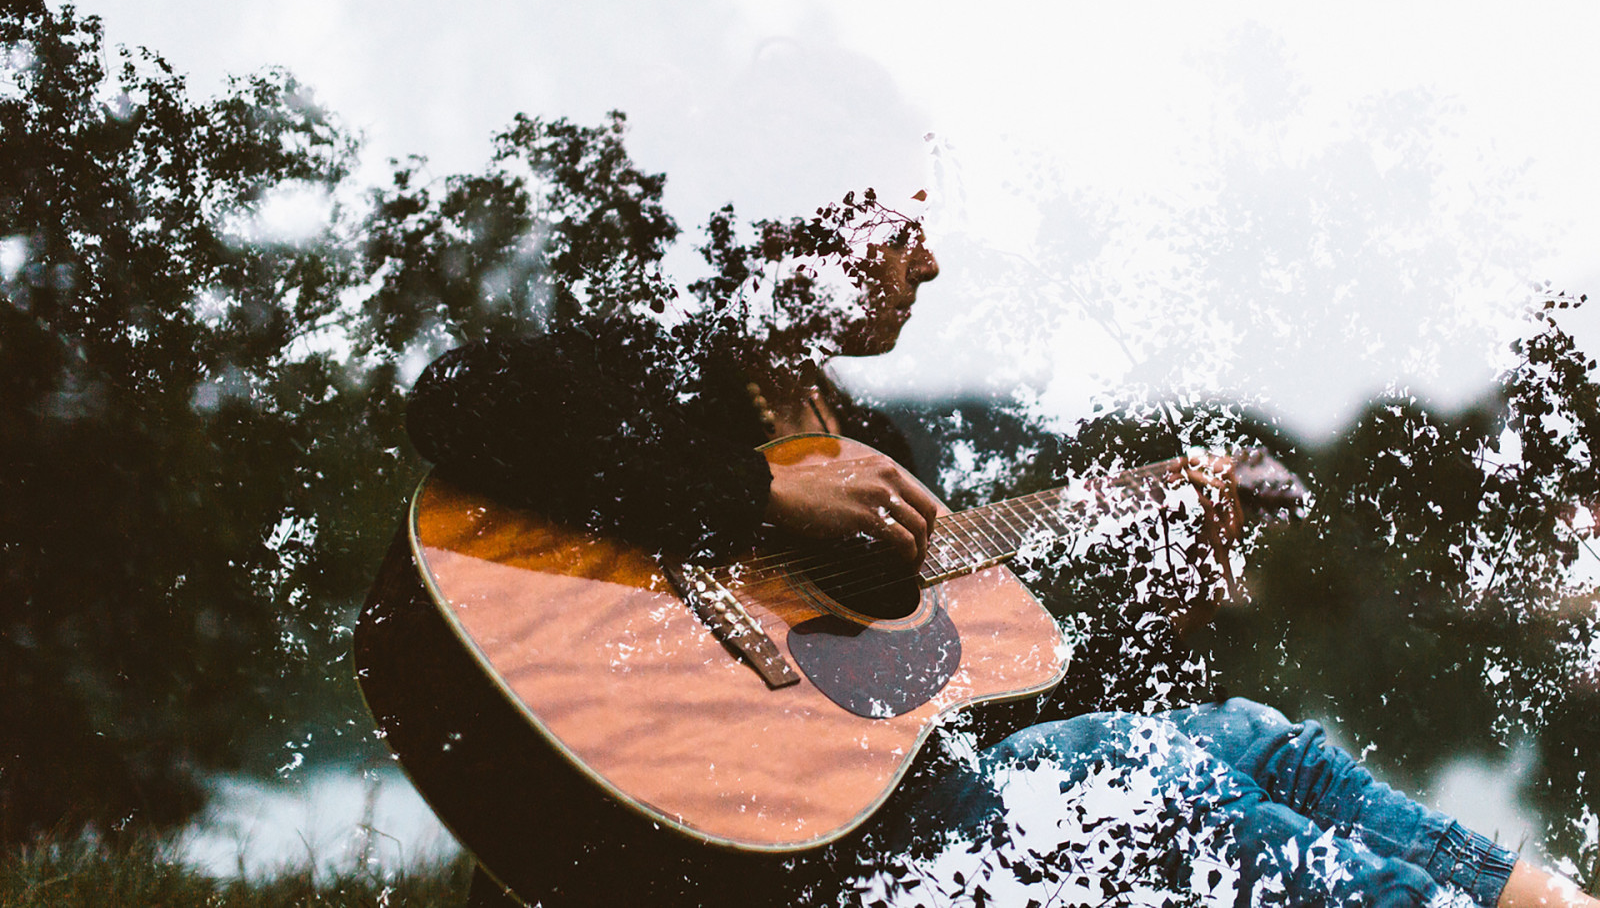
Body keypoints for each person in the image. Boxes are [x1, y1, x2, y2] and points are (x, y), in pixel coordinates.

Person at [405, 191, 1591, 908]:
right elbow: (461, 402)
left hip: (893, 834)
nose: (926, 263)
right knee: (1181, 791)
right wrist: (757, 505)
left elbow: (973, 720)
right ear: (794, 219)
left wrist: (1159, 610)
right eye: (902, 229)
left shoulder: (875, 442)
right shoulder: (663, 367)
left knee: (1242, 736)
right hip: (767, 863)